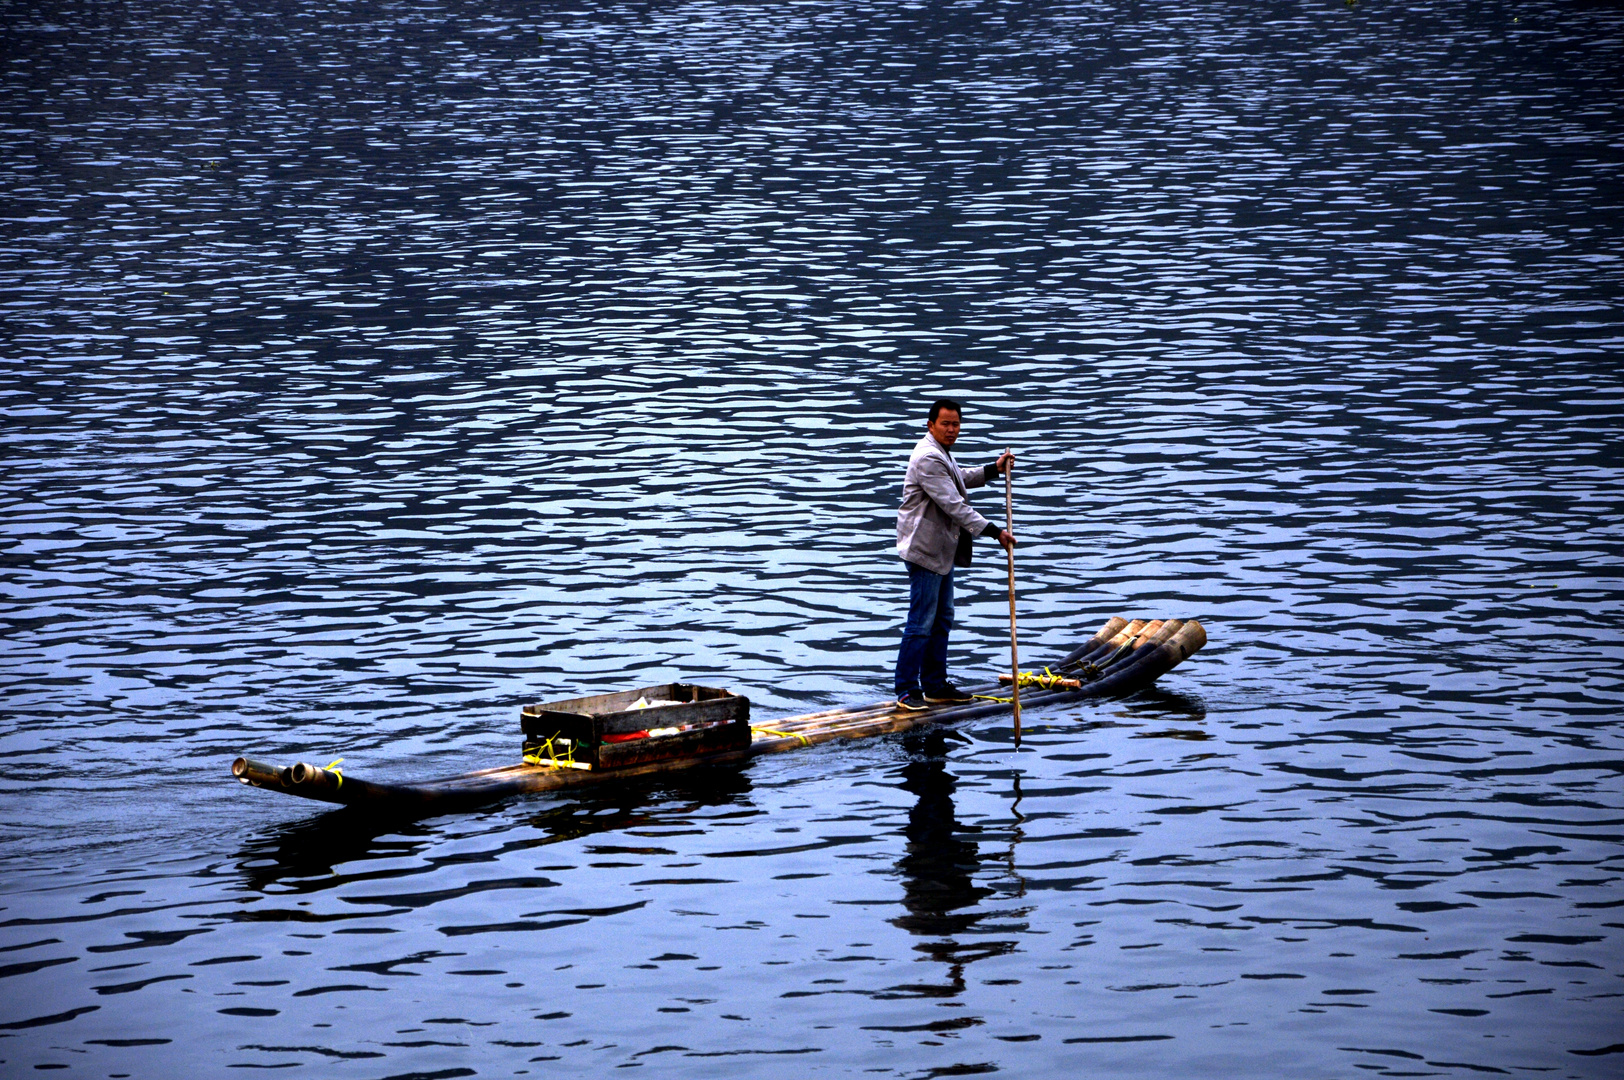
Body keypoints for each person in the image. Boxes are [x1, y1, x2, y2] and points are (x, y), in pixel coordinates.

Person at [893, 399, 1015, 711]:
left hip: (940, 550)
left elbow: (957, 477)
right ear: (930, 424)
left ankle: (934, 685)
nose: (951, 429)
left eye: (956, 424)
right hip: (924, 551)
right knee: (921, 621)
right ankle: (907, 690)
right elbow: (954, 505)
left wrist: (992, 469)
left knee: (942, 617)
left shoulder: (940, 452)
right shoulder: (928, 457)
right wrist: (994, 531)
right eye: (945, 423)